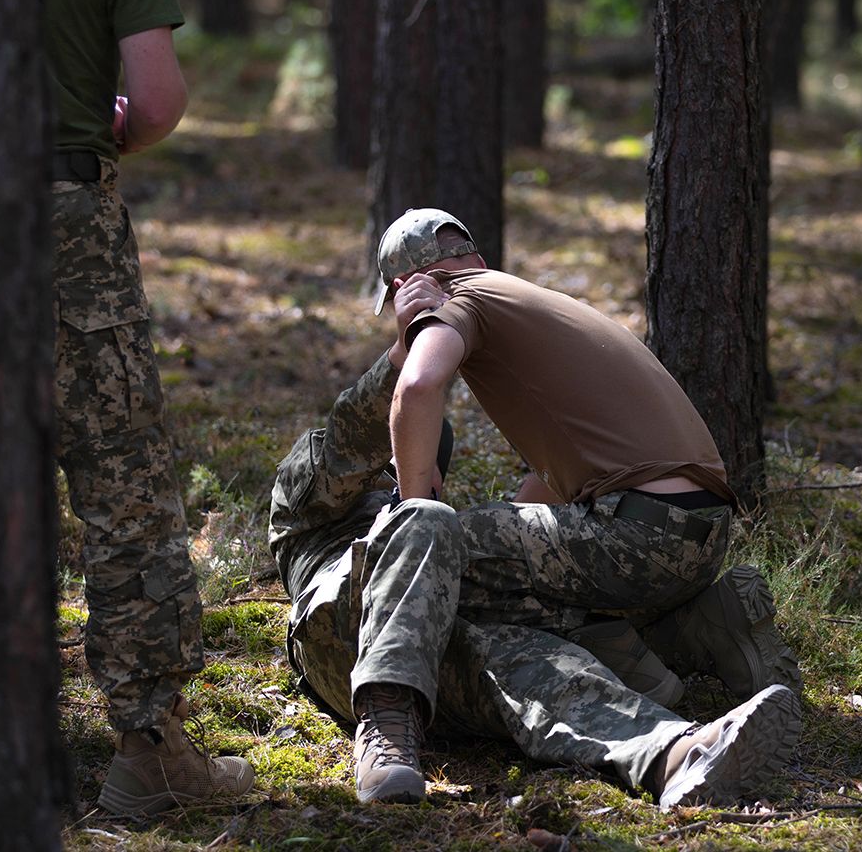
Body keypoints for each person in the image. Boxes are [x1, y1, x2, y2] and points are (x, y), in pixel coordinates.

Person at [269, 330, 803, 808]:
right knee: (428, 521)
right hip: (344, 637)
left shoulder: (432, 524)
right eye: (400, 448)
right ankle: (385, 731)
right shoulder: (310, 501)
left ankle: (677, 751)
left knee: (540, 667)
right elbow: (346, 444)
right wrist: (405, 356)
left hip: (441, 648)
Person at [46, 0, 253, 816]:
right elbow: (159, 101)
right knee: (122, 476)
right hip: (59, 221)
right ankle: (148, 749)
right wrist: (110, 127)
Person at [378, 209, 775, 670]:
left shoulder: (456, 300)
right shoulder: (532, 300)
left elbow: (417, 387)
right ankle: (700, 627)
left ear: (404, 288)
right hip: (701, 535)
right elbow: (558, 474)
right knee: (515, 560)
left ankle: (622, 662)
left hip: (639, 536)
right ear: (479, 259)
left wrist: (414, 516)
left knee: (431, 566)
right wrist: (514, 521)